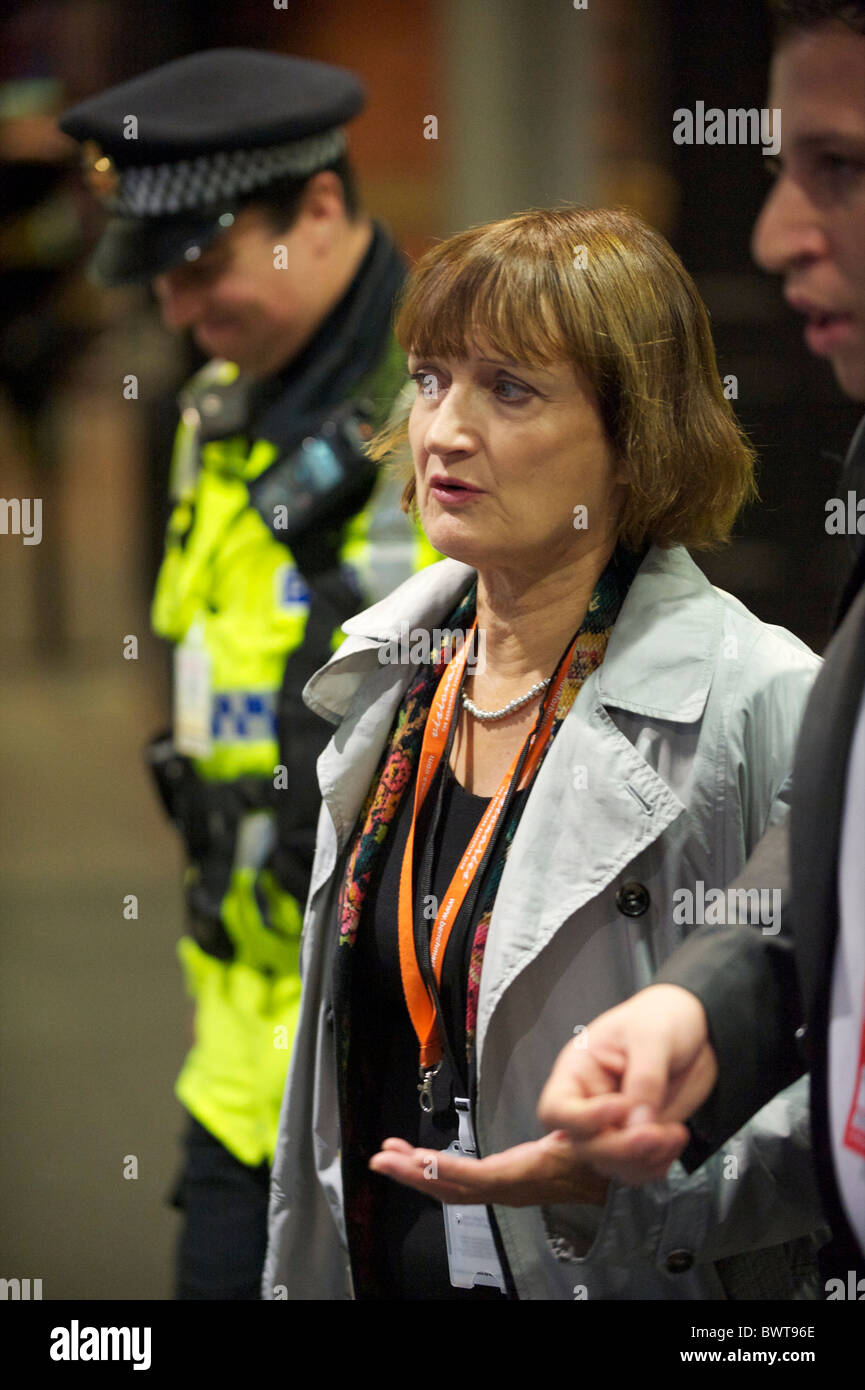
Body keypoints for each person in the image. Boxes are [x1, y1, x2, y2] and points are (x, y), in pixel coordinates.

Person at [263, 204, 829, 1301]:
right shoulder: (392, 672)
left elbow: (838, 1094)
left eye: (508, 389)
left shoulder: (760, 697)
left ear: (638, 433)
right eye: (429, 378)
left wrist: (624, 1186)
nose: (444, 431)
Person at [59, 47, 436, 1299]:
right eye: (156, 277)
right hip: (234, 1078)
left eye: (203, 266)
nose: (174, 312)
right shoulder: (214, 415)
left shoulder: (456, 415)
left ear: (317, 211)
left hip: (407, 1091)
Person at [537, 0, 865, 1272]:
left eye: (838, 168)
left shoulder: (748, 677)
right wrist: (698, 1003)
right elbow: (842, 846)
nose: (778, 232)